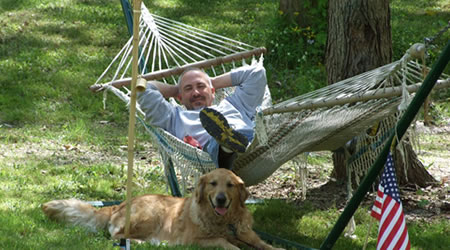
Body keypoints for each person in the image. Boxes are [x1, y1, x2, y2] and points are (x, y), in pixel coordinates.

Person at [137, 62, 267, 169]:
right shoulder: (173, 118)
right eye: (188, 89)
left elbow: (257, 73)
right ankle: (226, 145)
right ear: (180, 98)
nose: (195, 93)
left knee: (240, 135)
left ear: (213, 92)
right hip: (211, 156)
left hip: (252, 146)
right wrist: (176, 90)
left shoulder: (236, 104)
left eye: (200, 86)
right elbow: (143, 89)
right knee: (215, 146)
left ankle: (229, 142)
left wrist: (212, 82)